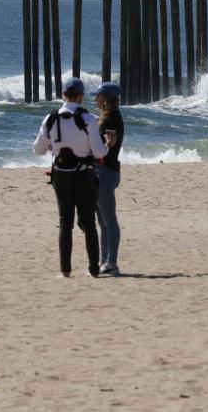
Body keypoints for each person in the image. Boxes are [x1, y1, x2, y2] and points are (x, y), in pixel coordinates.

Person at [33, 78, 108, 278]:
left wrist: (53, 146)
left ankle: (65, 271)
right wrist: (107, 145)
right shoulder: (88, 118)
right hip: (84, 175)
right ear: (81, 96)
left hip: (61, 176)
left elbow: (38, 150)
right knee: (89, 223)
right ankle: (94, 269)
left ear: (63, 95)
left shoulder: (50, 118)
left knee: (65, 223)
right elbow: (99, 152)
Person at [90, 82, 124, 276]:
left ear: (107, 99)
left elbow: (108, 145)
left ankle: (112, 261)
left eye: (98, 97)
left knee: (109, 220)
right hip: (101, 172)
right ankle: (104, 260)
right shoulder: (106, 117)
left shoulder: (112, 119)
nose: (95, 99)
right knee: (102, 221)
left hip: (106, 172)